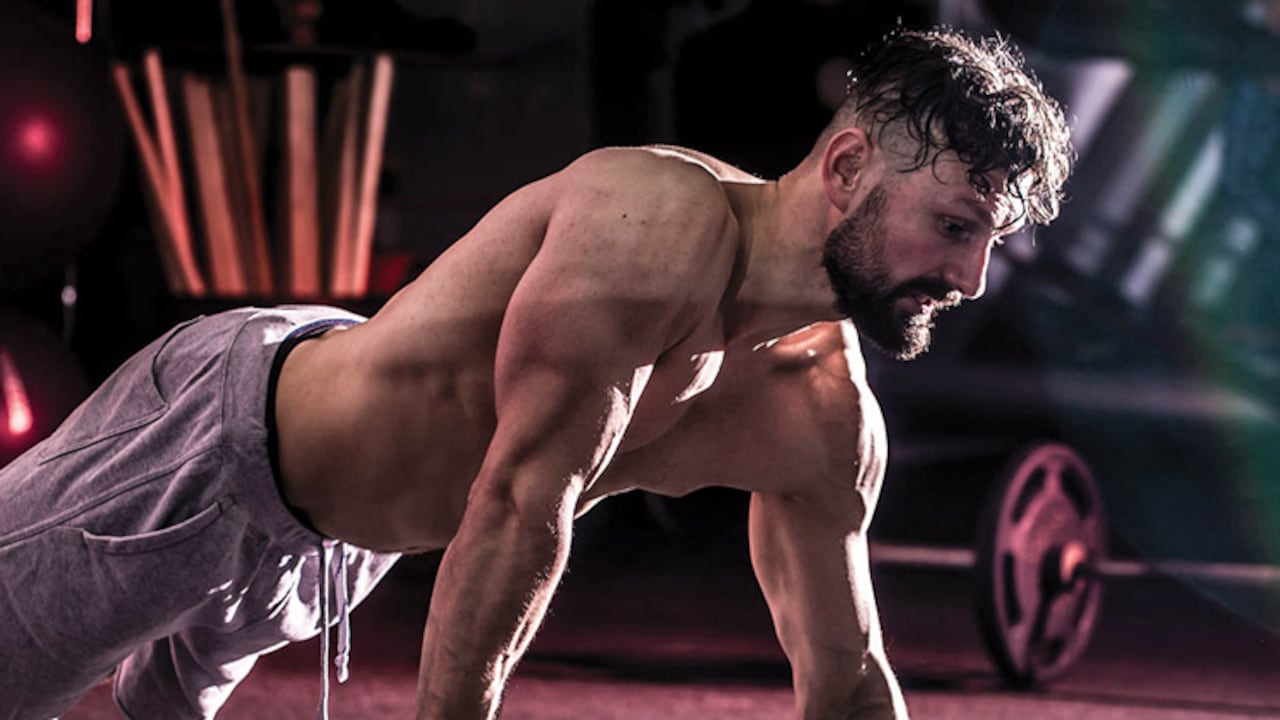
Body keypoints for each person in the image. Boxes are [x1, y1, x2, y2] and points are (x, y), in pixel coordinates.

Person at [0, 26, 1072, 720]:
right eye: (954, 226)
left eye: (992, 243)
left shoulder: (823, 410)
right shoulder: (657, 226)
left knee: (156, 700)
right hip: (225, 443)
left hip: (338, 549)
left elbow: (847, 679)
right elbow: (518, 505)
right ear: (845, 169)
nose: (971, 279)